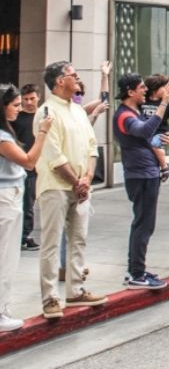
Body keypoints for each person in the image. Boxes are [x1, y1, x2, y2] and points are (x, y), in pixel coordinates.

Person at [35, 61, 106, 320]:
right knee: (52, 244)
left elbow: (91, 145)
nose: (77, 77)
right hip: (55, 186)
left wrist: (87, 176)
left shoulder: (76, 110)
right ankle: (50, 298)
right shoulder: (46, 111)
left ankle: (75, 290)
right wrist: (77, 181)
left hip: (80, 186)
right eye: (71, 74)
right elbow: (53, 154)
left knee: (79, 239)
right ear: (58, 81)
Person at [113, 73, 169, 289]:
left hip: (146, 172)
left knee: (145, 223)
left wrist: (159, 139)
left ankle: (136, 270)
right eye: (141, 88)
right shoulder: (124, 115)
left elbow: (145, 138)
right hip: (140, 174)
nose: (145, 91)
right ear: (130, 92)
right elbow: (144, 130)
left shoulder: (133, 113)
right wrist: (164, 103)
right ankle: (136, 273)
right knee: (143, 223)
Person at [0, 84, 53, 331]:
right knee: (5, 258)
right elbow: (29, 162)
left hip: (11, 196)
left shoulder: (6, 132)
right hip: (6, 198)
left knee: (8, 256)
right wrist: (42, 132)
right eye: (16, 105)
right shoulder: (2, 136)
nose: (20, 109)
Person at [11, 84, 41, 251]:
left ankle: (24, 234)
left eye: (32, 98)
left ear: (38, 97)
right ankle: (25, 236)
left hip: (39, 166)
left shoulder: (44, 116)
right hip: (22, 166)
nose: (29, 102)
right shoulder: (17, 118)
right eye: (26, 99)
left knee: (30, 201)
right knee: (26, 204)